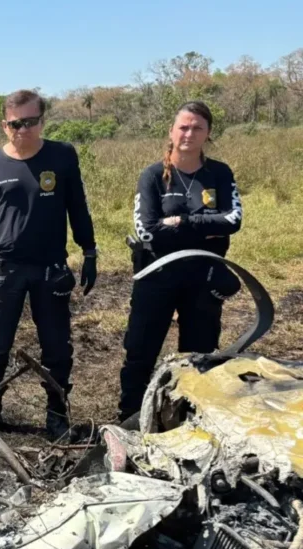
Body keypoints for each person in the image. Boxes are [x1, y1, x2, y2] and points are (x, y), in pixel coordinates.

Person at [0, 89, 98, 441]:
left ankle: (57, 415)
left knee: (57, 348)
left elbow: (78, 206)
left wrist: (89, 251)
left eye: (30, 122)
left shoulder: (62, 156)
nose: (23, 129)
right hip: (5, 270)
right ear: (4, 126)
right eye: (15, 124)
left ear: (42, 121)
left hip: (51, 269)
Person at [117, 101, 243, 422]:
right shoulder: (153, 176)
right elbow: (147, 231)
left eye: (197, 127)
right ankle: (129, 419)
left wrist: (182, 222)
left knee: (199, 357)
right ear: (171, 131)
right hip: (157, 274)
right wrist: (205, 227)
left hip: (203, 278)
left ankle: (189, 419)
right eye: (183, 127)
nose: (189, 133)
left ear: (208, 133)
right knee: (140, 353)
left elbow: (232, 221)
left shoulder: (219, 173)